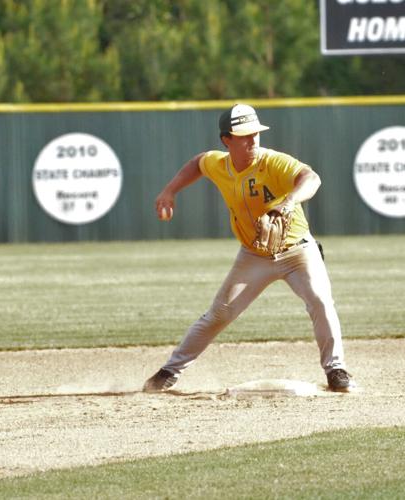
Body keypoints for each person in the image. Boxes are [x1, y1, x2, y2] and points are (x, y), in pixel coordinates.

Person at [143, 103, 354, 393]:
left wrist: (290, 200)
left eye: (255, 133)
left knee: (320, 300)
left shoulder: (273, 162)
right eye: (243, 135)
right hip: (253, 255)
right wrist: (170, 190)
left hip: (297, 250)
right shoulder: (220, 164)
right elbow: (198, 162)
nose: (252, 140)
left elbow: (311, 178)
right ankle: (169, 372)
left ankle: (336, 370)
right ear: (226, 140)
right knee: (218, 315)